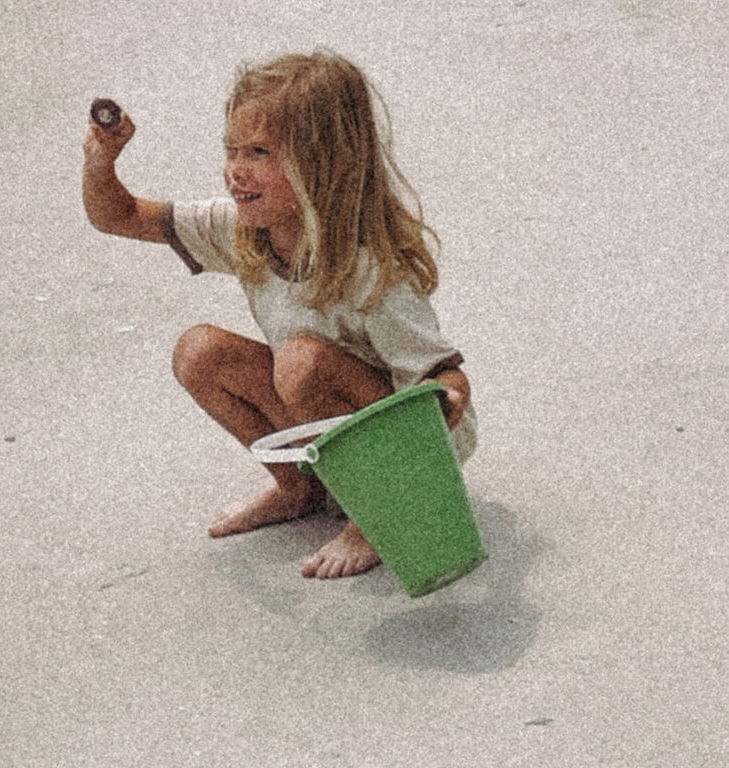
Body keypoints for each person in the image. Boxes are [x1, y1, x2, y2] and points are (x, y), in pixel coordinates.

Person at [81, 52, 475, 581]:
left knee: (301, 361)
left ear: (322, 163)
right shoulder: (245, 228)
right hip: (327, 417)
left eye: (260, 153)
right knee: (200, 351)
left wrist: (448, 401)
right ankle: (299, 489)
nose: (235, 170)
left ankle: (376, 516)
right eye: (232, 149)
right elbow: (121, 216)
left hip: (413, 444)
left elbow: (442, 377)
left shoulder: (371, 269)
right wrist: (101, 160)